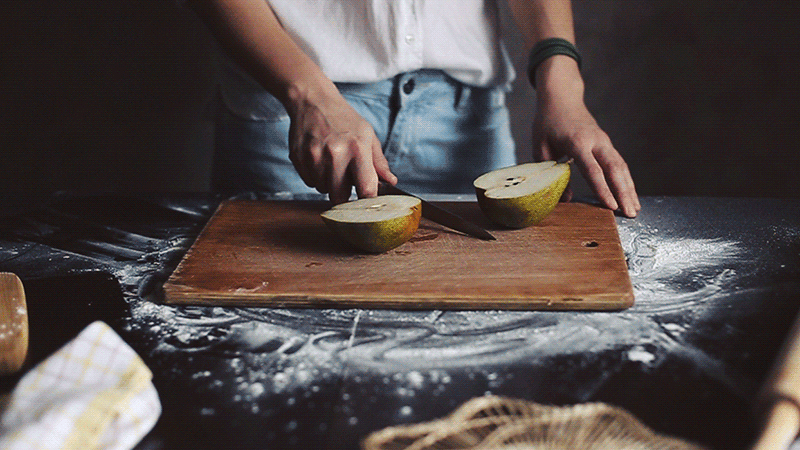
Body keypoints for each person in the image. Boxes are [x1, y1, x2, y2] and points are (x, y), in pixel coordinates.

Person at [189, 0, 640, 217]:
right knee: (269, 330)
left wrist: (562, 88)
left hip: (465, 124)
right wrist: (309, 96)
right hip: (295, 118)